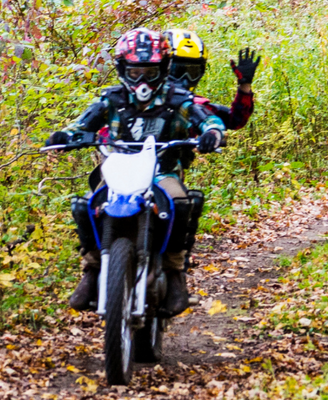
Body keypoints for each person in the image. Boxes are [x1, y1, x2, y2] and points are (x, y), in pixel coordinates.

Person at [46, 28, 226, 317]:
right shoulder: (111, 99)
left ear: (164, 68)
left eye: (150, 72)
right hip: (118, 167)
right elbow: (81, 125)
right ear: (122, 69)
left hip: (162, 171)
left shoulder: (177, 98)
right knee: (86, 203)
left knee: (181, 203)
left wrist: (212, 132)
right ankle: (92, 269)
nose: (142, 80)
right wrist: (63, 137)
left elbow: (207, 117)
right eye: (135, 72)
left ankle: (175, 271)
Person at [164, 28, 261, 258]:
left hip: (168, 171)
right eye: (178, 70)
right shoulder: (130, 99)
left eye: (192, 71)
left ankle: (179, 261)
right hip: (126, 166)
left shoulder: (196, 105)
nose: (184, 79)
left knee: (185, 206)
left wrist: (244, 86)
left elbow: (234, 120)